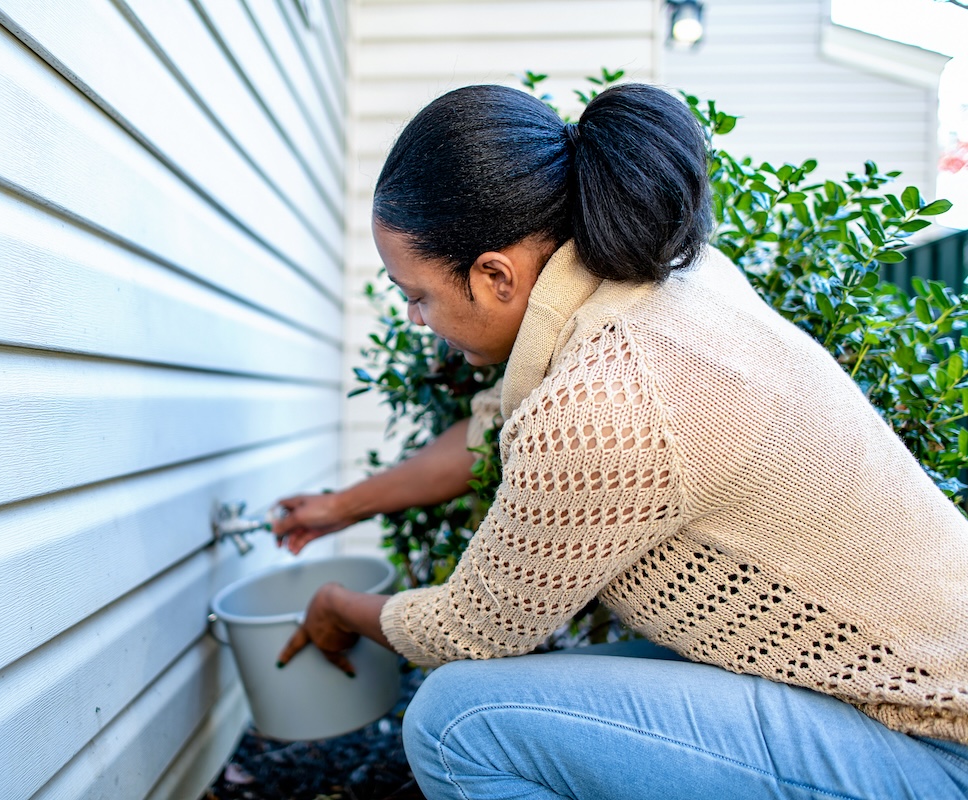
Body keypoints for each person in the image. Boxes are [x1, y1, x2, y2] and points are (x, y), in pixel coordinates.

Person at [272, 82, 968, 799]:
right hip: (903, 703)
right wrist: (341, 507)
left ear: (494, 275)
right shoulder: (659, 288)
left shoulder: (606, 402)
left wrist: (335, 604)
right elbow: (492, 426)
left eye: (416, 295)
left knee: (457, 721)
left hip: (932, 749)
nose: (417, 318)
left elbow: (469, 632)